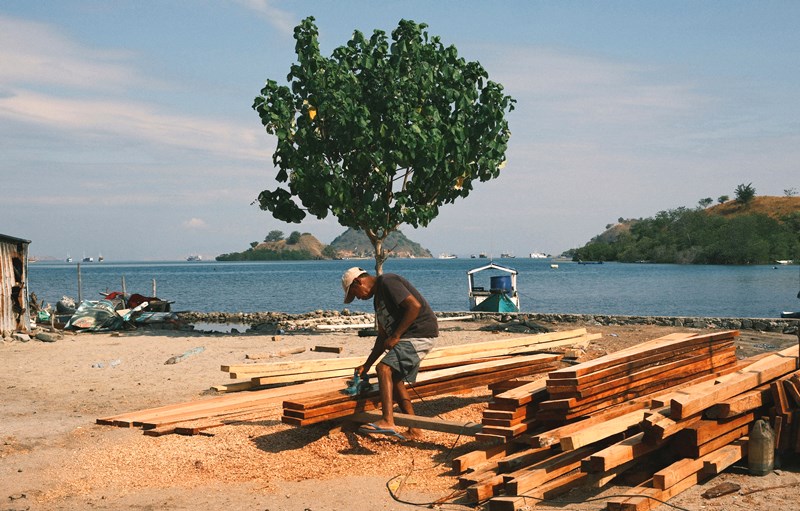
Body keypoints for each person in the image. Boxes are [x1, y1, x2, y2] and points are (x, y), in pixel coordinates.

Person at [341, 266, 439, 440]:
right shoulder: (378, 300)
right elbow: (382, 336)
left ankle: (388, 420)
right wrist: (367, 364)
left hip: (419, 333)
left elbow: (414, 306)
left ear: (358, 281)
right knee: (395, 380)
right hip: (409, 336)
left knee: (384, 369)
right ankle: (414, 429)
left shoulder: (388, 281)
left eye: (356, 293)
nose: (358, 298)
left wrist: (396, 335)